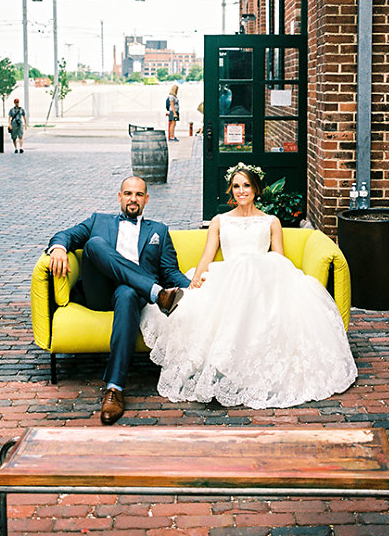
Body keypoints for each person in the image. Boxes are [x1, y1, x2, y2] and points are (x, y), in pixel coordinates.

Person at [140, 163, 357, 409]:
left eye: (246, 186)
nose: (241, 191)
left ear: (255, 189)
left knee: (251, 268)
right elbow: (207, 256)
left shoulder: (271, 221)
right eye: (236, 186)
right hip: (230, 279)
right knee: (237, 271)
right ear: (230, 190)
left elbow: (279, 258)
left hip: (263, 279)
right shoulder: (220, 221)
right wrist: (193, 285)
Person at [47, 176, 190, 424]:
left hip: (132, 297)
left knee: (127, 291)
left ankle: (115, 389)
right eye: (128, 193)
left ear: (146, 199)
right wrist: (59, 248)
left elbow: (170, 271)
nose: (132, 199)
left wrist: (193, 286)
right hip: (99, 292)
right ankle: (157, 293)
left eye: (138, 194)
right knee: (95, 244)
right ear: (119, 196)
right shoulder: (98, 221)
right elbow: (65, 234)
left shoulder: (159, 230)